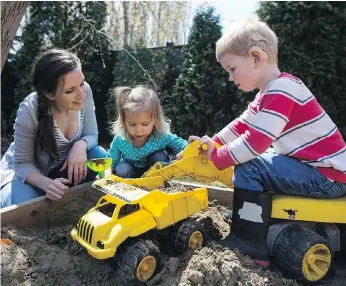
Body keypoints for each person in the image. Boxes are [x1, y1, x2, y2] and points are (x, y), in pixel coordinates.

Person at [189, 20, 346, 266]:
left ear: (255, 57)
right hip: (318, 171)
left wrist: (219, 157)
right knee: (253, 162)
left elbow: (257, 142)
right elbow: (242, 125)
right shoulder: (269, 93)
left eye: (232, 69)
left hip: (327, 177)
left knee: (251, 165)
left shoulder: (282, 90)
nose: (230, 78)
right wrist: (213, 142)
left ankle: (251, 243)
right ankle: (250, 219)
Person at [0, 49, 106, 208]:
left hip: (59, 168)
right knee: (26, 210)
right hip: (27, 174)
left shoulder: (85, 92)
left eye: (82, 83)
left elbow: (91, 134)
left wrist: (79, 145)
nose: (81, 94)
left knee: (97, 154)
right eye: (70, 91)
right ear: (50, 94)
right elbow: (22, 164)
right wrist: (47, 184)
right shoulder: (29, 110)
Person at [107, 86, 188, 178]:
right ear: (123, 121)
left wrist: (185, 150)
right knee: (122, 169)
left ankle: (161, 183)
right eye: (132, 124)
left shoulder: (160, 135)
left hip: (155, 174)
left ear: (155, 120)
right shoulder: (121, 139)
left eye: (145, 124)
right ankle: (129, 188)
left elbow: (181, 144)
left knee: (159, 157)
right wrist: (105, 175)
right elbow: (110, 160)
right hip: (131, 174)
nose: (138, 130)